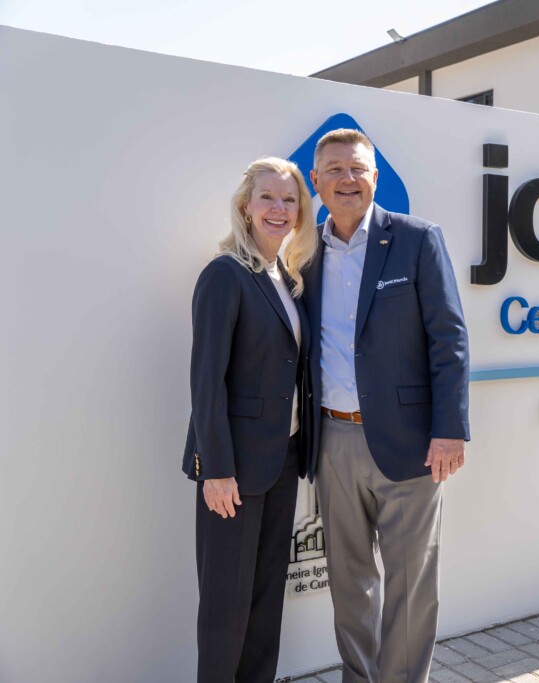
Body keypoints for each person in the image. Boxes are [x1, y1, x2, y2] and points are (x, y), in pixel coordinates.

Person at [303, 129, 470, 683]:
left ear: (375, 176)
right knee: (349, 583)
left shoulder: (417, 239)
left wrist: (450, 431)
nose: (346, 179)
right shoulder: (304, 255)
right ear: (315, 181)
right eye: (334, 170)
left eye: (357, 169)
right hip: (332, 441)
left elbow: (449, 340)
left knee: (410, 583)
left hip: (412, 442)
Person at [182, 156, 318, 682]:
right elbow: (206, 379)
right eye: (268, 198)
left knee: (265, 606)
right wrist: (215, 468)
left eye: (289, 199)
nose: (279, 209)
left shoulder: (287, 276)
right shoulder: (225, 275)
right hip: (232, 470)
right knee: (225, 609)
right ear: (246, 206)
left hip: (281, 463)